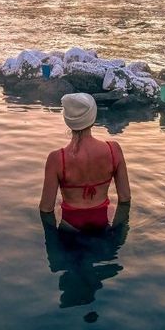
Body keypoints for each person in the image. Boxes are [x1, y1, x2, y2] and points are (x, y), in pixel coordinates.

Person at [39, 93, 131, 232]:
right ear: (93, 119)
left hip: (69, 227)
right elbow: (125, 199)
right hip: (102, 222)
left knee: (58, 207)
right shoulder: (114, 150)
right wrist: (116, 234)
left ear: (67, 120)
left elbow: (46, 209)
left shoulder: (57, 159)